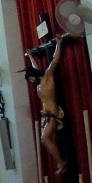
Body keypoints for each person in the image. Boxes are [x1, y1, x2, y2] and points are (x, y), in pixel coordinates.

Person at [26, 33, 71, 175]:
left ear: (34, 76)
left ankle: (61, 162)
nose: (31, 82)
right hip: (46, 114)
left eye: (31, 79)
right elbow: (34, 67)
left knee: (44, 139)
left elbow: (55, 61)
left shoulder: (47, 77)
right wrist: (31, 56)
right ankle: (60, 161)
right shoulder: (39, 83)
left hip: (53, 113)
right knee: (45, 139)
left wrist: (58, 43)